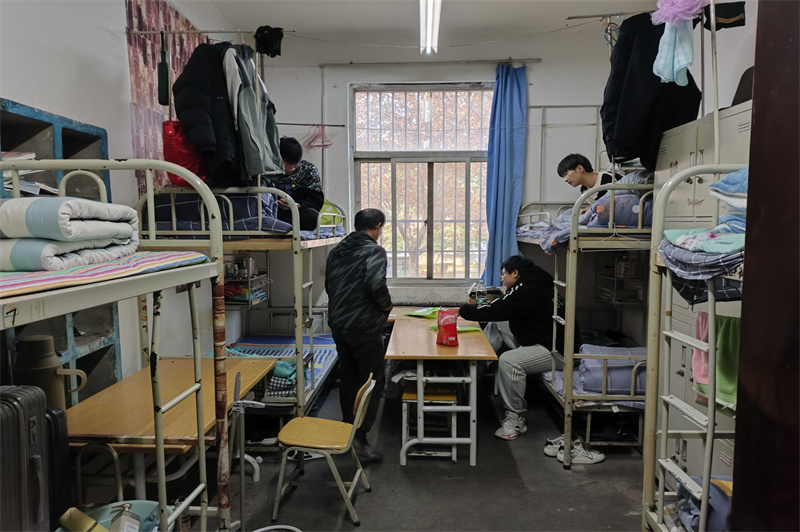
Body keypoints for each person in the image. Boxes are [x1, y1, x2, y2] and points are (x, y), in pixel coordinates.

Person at [460, 255, 578, 440]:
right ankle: (475, 369)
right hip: (543, 339)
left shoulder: (529, 289)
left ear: (515, 273)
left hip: (557, 351)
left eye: (503, 274)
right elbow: (504, 309)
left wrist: (463, 310)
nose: (502, 278)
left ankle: (516, 419)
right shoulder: (535, 283)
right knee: (499, 323)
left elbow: (500, 308)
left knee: (509, 361)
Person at [325, 208, 393, 462]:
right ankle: (361, 440)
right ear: (378, 225)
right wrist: (387, 306)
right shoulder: (373, 251)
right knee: (373, 382)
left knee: (349, 379)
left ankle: (347, 431)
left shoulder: (336, 251)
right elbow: (376, 285)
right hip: (364, 327)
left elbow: (329, 286)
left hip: (339, 325)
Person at [272, 137, 325, 231]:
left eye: (295, 165)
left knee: (313, 216)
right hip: (273, 212)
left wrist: (296, 205)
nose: (292, 169)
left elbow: (316, 201)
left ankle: (283, 227)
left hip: (297, 214)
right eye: (287, 165)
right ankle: (280, 226)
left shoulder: (309, 170)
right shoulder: (268, 170)